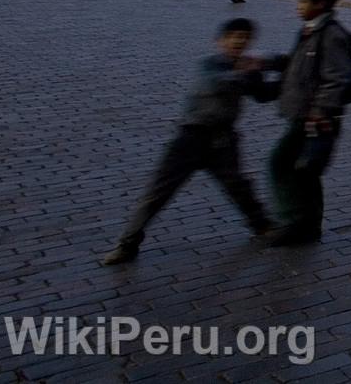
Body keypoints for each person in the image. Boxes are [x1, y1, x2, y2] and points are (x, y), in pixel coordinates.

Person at [100, 18, 276, 264]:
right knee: (158, 192)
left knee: (238, 185)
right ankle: (127, 243)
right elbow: (216, 82)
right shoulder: (209, 64)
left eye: (245, 38)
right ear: (220, 41)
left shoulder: (246, 69)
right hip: (191, 138)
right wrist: (247, 70)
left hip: (223, 139)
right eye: (235, 37)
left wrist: (291, 78)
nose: (239, 42)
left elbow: (263, 94)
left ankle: (263, 226)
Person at [263, 0, 351, 246]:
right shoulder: (310, 31)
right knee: (306, 169)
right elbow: (295, 63)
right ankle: (309, 225)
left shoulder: (331, 35)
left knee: (280, 163)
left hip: (314, 117)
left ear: (321, 4)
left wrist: (320, 110)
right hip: (305, 113)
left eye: (304, 2)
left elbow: (337, 77)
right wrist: (265, 62)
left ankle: (291, 221)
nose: (298, 6)